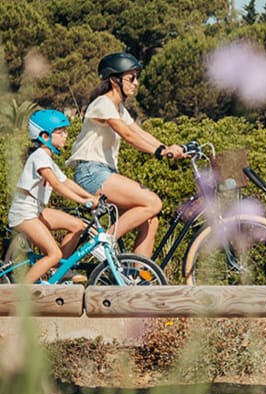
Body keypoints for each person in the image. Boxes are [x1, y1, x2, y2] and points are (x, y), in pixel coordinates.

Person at [67, 52, 185, 257]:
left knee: (149, 219)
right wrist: (159, 152)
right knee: (153, 202)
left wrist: (167, 148)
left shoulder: (118, 107)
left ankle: (138, 279)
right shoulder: (102, 103)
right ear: (114, 80)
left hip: (102, 171)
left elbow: (139, 132)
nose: (136, 83)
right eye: (131, 78)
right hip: (91, 172)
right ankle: (102, 244)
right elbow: (128, 134)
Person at [8, 109, 98, 283]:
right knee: (54, 253)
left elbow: (66, 182)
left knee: (77, 226)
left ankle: (59, 271)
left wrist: (92, 196)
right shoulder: (39, 157)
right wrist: (83, 201)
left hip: (36, 210)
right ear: (44, 136)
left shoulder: (46, 158)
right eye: (60, 132)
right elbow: (56, 185)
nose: (65, 135)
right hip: (24, 213)